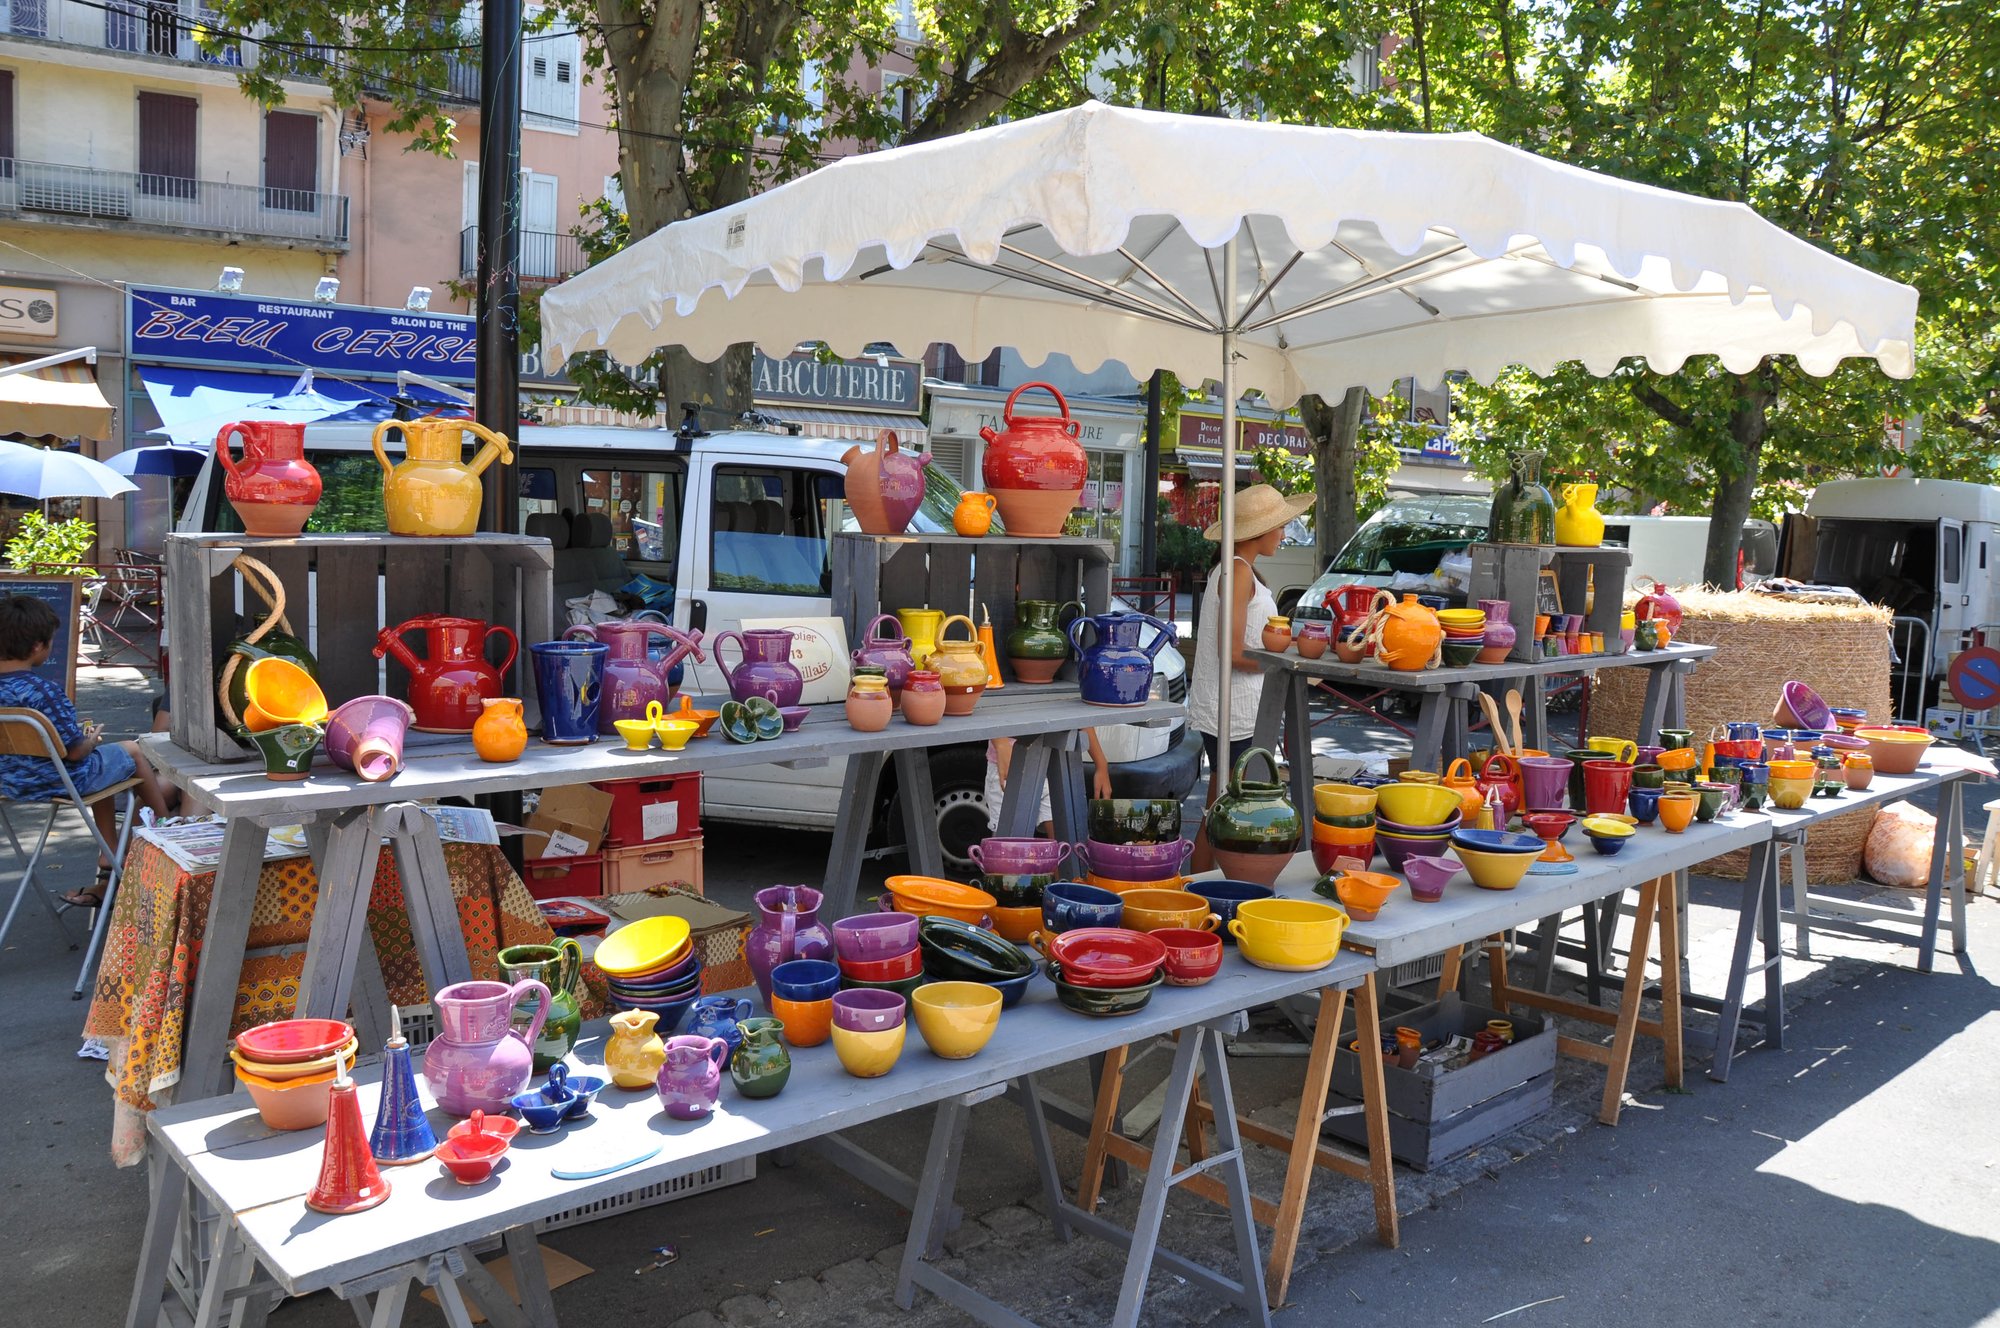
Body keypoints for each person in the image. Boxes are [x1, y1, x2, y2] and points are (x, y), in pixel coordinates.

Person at [0, 595, 174, 907]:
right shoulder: (44, 692)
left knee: (105, 768)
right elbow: (76, 752)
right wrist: (91, 739)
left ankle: (108, 849)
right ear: (39, 646)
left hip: (12, 784)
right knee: (131, 751)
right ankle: (166, 823)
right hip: (62, 779)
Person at [1189, 483, 1315, 783]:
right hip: (1233, 709)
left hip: (1233, 706)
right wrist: (1283, 665)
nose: (1283, 535)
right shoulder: (1239, 571)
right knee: (1229, 802)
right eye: (1280, 527)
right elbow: (1231, 652)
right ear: (1260, 529)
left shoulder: (1235, 568)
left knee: (1223, 803)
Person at [986, 732, 1113, 836]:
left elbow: (1078, 710)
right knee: (1008, 851)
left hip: (1054, 764)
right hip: (1010, 766)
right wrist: (1001, 742)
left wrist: (1101, 764)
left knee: (1063, 842)